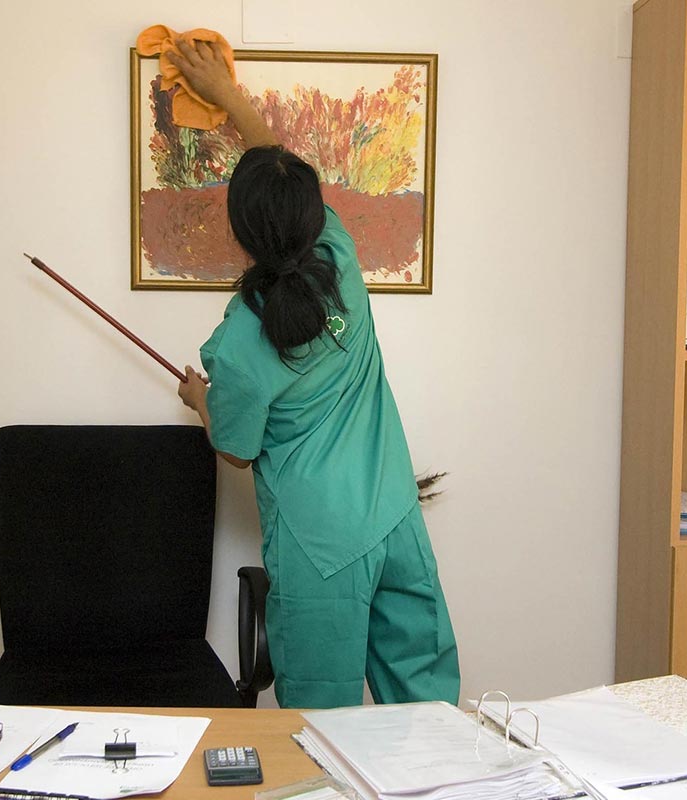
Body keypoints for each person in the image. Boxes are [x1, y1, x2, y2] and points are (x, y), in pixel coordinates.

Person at [171, 38, 460, 710]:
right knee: (427, 709)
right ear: (307, 211)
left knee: (319, 727)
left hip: (320, 544)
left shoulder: (240, 342)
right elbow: (278, 168)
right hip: (393, 512)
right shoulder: (339, 255)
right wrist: (230, 96)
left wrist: (199, 400)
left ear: (242, 233)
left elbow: (236, 449)